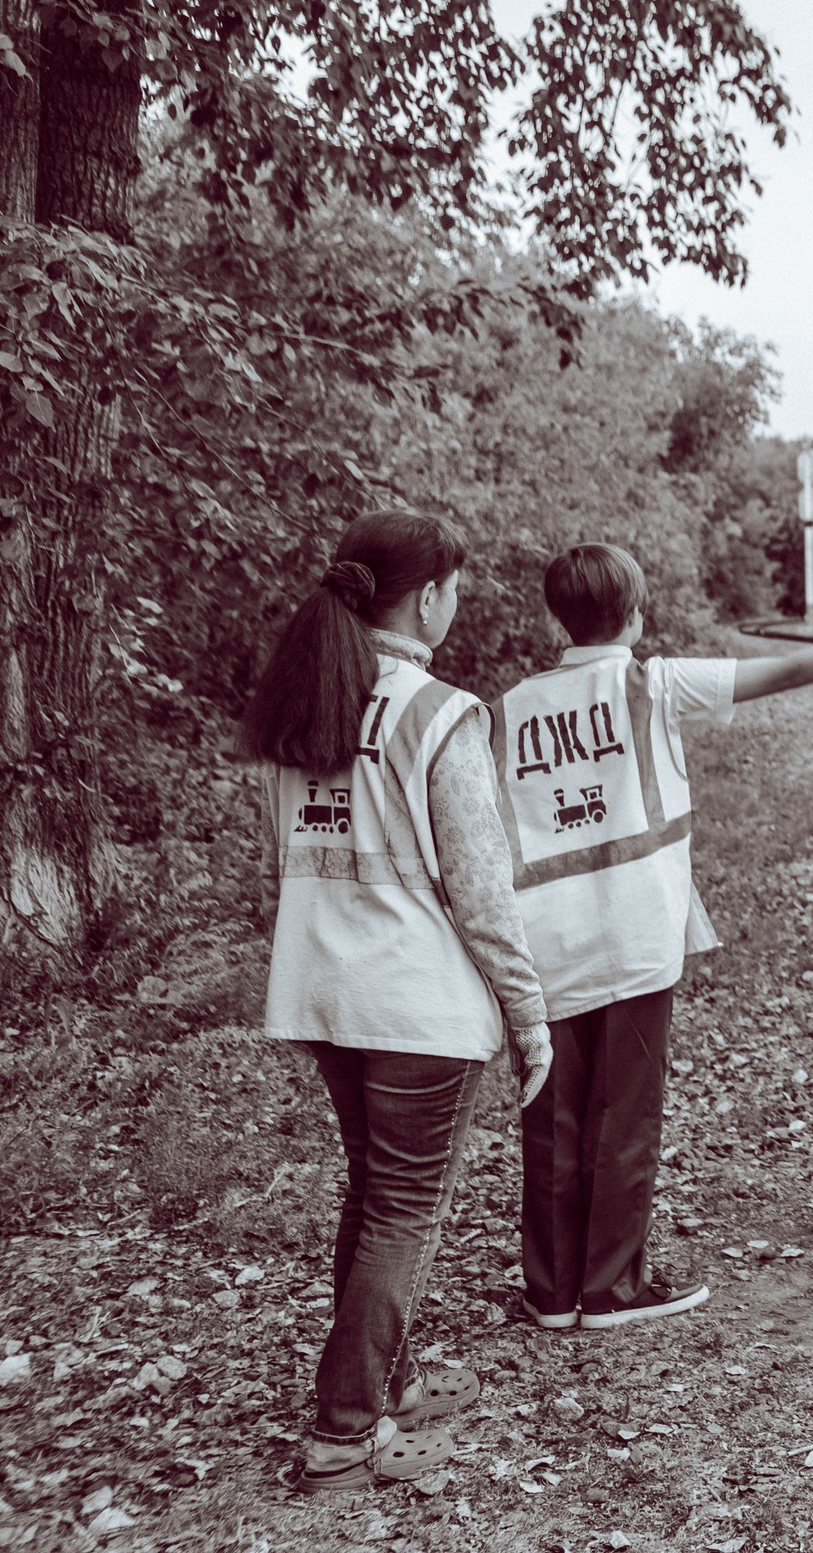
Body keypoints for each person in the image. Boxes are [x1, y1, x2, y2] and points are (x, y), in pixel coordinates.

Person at [496, 544, 813, 1331]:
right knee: (625, 1112)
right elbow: (784, 674)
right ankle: (610, 1289)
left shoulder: (506, 709)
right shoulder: (654, 681)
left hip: (543, 942)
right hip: (636, 935)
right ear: (637, 616)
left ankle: (550, 1292)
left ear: (554, 619)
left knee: (551, 1113)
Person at [240, 510, 555, 1493]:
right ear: (427, 597)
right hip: (416, 1002)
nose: (458, 603)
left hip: (325, 991)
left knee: (373, 1196)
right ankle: (342, 1432)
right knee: (404, 1210)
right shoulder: (438, 713)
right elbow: (481, 888)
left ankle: (389, 1381)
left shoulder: (304, 704)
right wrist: (529, 1013)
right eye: (456, 588)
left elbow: (284, 864)